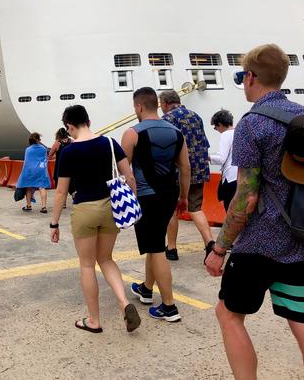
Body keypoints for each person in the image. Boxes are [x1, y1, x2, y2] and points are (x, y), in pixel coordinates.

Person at [205, 44, 304, 380]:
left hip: (258, 245)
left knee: (229, 314)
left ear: (250, 77)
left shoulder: (253, 124)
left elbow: (246, 197)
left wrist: (219, 249)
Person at [50, 105, 141, 334]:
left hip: (84, 210)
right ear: (88, 120)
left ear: (69, 126)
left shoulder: (69, 152)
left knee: (87, 264)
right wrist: (133, 202)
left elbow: (61, 192)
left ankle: (94, 320)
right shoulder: (110, 143)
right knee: (106, 258)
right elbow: (128, 176)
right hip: (110, 207)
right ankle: (124, 303)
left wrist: (54, 223)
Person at [121, 87, 190, 322]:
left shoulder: (132, 133)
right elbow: (185, 168)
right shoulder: (176, 132)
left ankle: (169, 306)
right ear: (157, 105)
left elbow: (122, 171)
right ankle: (146, 289)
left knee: (156, 249)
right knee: (154, 243)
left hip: (145, 196)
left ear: (139, 107)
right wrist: (184, 197)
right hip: (169, 194)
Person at [159, 89, 213, 260]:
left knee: (171, 210)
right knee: (195, 208)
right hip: (199, 169)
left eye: (161, 104)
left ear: (166, 104)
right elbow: (204, 142)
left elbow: (166, 149)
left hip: (176, 173)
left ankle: (172, 249)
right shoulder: (195, 116)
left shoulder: (168, 119)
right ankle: (209, 243)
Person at [210, 110, 238, 212]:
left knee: (230, 210)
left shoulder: (225, 135)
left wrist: (208, 157)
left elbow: (221, 159)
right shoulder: (239, 132)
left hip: (230, 177)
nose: (216, 130)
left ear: (220, 124)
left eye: (215, 127)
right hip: (241, 176)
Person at [17, 133, 50, 213]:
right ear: (38, 140)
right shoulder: (43, 149)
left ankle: (29, 206)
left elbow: (26, 162)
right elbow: (45, 159)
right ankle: (43, 207)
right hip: (40, 170)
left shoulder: (28, 150)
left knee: (28, 187)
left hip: (30, 171)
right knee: (42, 187)